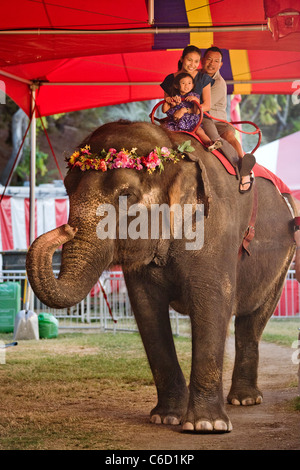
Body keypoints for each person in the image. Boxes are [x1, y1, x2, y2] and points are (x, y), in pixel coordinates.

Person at [160, 45, 241, 173]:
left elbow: (206, 105)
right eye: (189, 60)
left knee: (214, 137)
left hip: (199, 117)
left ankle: (238, 165)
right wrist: (170, 102)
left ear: (199, 62)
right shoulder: (170, 79)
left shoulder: (203, 79)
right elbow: (165, 106)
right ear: (182, 59)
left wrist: (185, 110)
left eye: (195, 61)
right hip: (174, 119)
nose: (192, 64)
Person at [201, 46, 255, 193]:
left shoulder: (219, 83)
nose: (212, 64)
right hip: (199, 119)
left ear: (221, 65)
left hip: (216, 121)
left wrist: (185, 109)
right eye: (209, 59)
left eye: (216, 61)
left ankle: (244, 168)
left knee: (229, 135)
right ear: (202, 61)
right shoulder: (195, 76)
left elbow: (205, 106)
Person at [162, 72, 222, 152]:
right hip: (176, 123)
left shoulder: (194, 96)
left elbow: (197, 111)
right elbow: (164, 110)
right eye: (183, 83)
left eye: (189, 83)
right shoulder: (175, 96)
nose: (186, 85)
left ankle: (210, 143)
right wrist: (167, 101)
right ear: (176, 86)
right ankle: (163, 148)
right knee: (166, 131)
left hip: (191, 123)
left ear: (193, 85)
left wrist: (195, 100)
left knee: (200, 131)